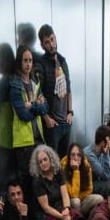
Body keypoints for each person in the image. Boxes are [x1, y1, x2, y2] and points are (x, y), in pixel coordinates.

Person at [37, 25, 74, 158]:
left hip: (66, 122)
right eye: (47, 42)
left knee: (64, 162)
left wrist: (70, 112)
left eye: (52, 39)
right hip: (52, 125)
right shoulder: (40, 64)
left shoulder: (63, 61)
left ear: (56, 38)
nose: (51, 45)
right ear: (42, 46)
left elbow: (69, 88)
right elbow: (38, 94)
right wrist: (47, 119)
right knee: (53, 164)